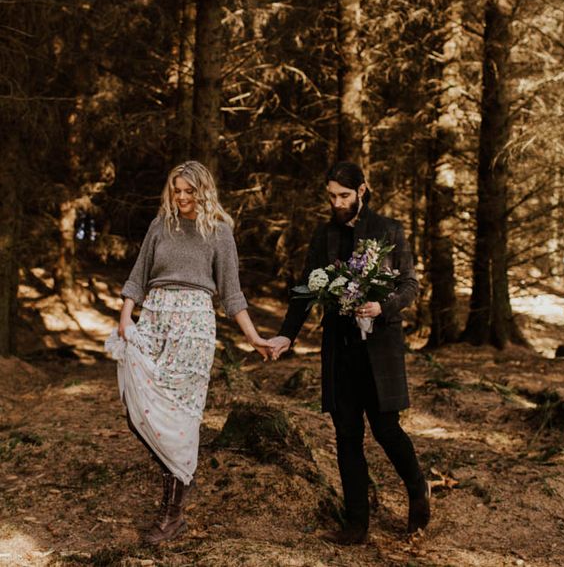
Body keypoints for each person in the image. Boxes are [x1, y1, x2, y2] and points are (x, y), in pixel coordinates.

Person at [110, 161, 274, 545]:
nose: (182, 198)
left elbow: (232, 294)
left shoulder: (219, 232)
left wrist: (253, 337)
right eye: (176, 190)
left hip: (194, 329)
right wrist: (124, 318)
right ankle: (181, 475)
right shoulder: (159, 226)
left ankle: (172, 514)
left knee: (180, 419)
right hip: (153, 321)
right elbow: (137, 277)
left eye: (189, 191)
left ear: (204, 190)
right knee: (139, 412)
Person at [270, 161, 430, 545]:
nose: (337, 203)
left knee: (387, 430)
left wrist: (383, 306)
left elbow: (410, 285)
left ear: (362, 190)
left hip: (380, 347)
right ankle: (356, 524)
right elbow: (306, 288)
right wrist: (286, 336)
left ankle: (418, 490)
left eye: (344, 195)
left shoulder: (389, 229)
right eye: (331, 196)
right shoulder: (323, 234)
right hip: (339, 349)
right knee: (346, 435)